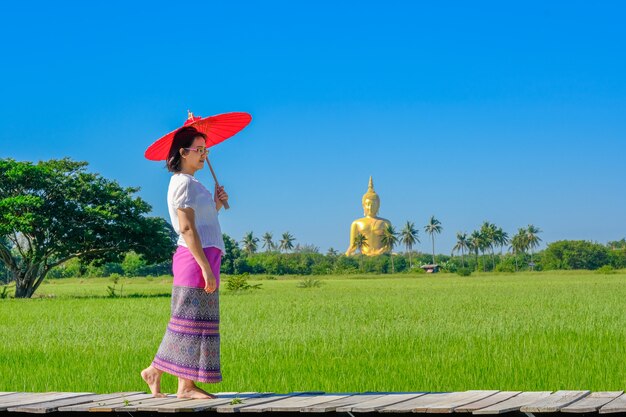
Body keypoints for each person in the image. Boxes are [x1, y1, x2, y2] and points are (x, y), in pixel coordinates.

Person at [141, 126, 229, 399]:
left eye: (206, 149)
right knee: (186, 321)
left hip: (205, 256)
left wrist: (214, 204)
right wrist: (204, 267)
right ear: (183, 152)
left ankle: (183, 385)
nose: (204, 154)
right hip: (194, 260)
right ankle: (162, 373)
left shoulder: (193, 183)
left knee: (198, 323)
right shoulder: (182, 183)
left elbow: (202, 223)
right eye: (199, 149)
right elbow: (187, 229)